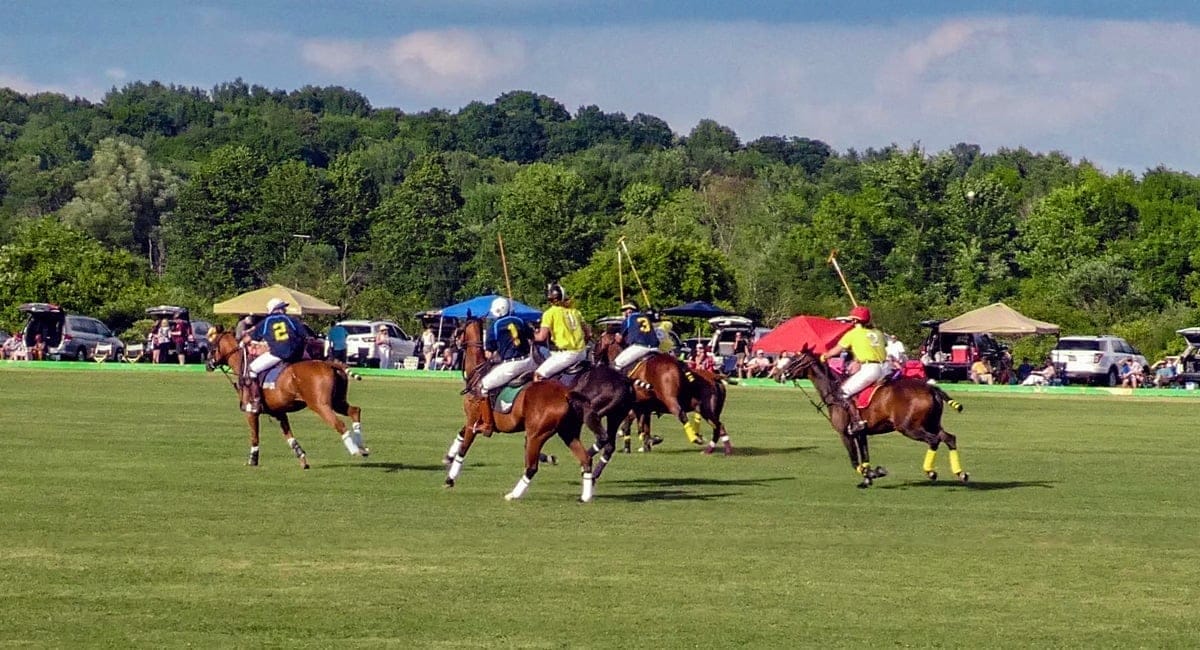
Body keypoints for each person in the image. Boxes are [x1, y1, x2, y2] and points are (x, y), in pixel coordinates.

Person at [473, 297, 537, 434]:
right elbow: (532, 337)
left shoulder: (494, 326)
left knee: (483, 386)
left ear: (496, 312)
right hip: (530, 362)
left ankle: (487, 424)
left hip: (512, 365)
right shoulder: (519, 320)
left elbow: (489, 353)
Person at [820, 305, 887, 432]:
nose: (850, 322)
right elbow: (875, 347)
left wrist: (824, 356)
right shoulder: (878, 333)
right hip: (885, 368)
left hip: (870, 369)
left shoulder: (853, 334)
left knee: (842, 393)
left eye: (852, 320)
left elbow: (836, 350)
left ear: (855, 321)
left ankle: (857, 421)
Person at [244, 298, 306, 413]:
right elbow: (303, 335)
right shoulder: (292, 320)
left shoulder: (266, 322)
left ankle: (256, 401)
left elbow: (251, 338)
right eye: (283, 307)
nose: (285, 309)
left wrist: (242, 342)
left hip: (278, 353)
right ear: (279, 309)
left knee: (251, 370)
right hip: (296, 354)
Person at [533, 283, 589, 381]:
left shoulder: (549, 313)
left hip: (567, 355)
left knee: (538, 375)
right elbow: (589, 333)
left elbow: (541, 337)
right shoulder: (575, 312)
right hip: (582, 353)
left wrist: (529, 336)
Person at [612, 302, 661, 372]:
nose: (623, 312)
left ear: (630, 310)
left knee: (616, 364)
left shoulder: (629, 319)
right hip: (656, 347)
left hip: (640, 346)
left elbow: (619, 339)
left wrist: (616, 335)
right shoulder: (646, 317)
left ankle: (619, 382)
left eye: (624, 310)